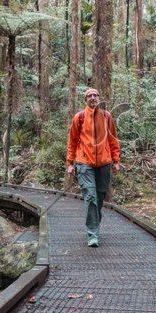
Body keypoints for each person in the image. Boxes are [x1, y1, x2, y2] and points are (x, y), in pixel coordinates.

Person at [66, 88, 121, 247]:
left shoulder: (107, 116)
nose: (92, 98)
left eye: (95, 95)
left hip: (104, 163)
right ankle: (93, 234)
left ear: (99, 98)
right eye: (89, 96)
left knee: (99, 196)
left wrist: (116, 160)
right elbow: (72, 142)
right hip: (84, 163)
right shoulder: (80, 117)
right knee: (90, 196)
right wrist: (70, 163)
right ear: (85, 100)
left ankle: (94, 224)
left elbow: (113, 140)